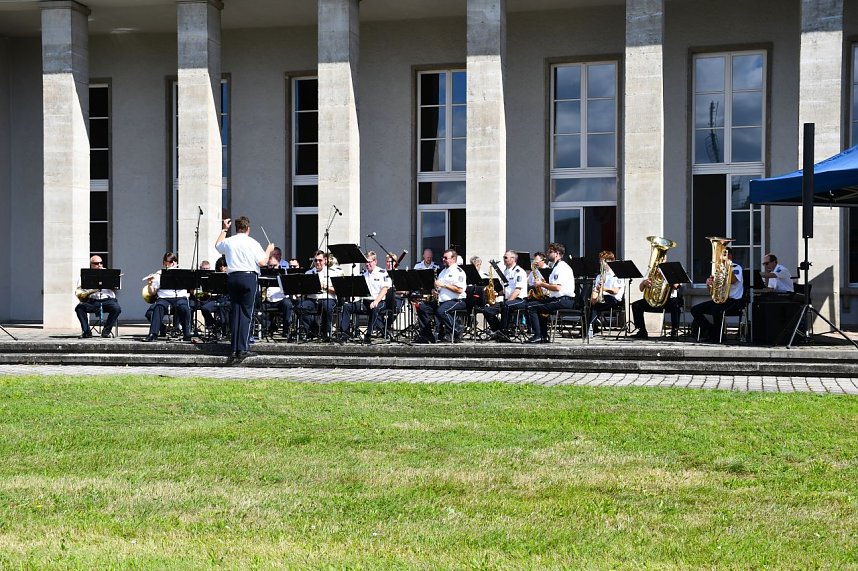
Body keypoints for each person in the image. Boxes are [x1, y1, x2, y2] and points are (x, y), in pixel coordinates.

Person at [215, 216, 274, 360]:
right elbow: (262, 262)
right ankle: (243, 348)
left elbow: (217, 245)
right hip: (248, 278)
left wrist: (224, 229)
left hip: (233, 278)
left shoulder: (229, 241)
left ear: (236, 228)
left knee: (236, 312)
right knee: (247, 313)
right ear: (248, 228)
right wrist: (269, 250)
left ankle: (234, 348)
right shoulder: (252, 242)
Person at [690, 246, 744, 343]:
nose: (721, 258)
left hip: (734, 301)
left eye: (723, 256)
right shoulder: (718, 269)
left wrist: (727, 265)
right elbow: (712, 291)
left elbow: (733, 280)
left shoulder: (736, 267)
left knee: (716, 310)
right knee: (695, 310)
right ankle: (711, 332)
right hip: (721, 300)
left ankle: (718, 337)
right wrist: (709, 284)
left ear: (730, 256)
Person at [526, 242, 576, 344]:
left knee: (532, 307)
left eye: (550, 251)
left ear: (557, 253)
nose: (548, 253)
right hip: (558, 299)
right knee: (537, 305)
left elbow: (557, 288)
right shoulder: (555, 267)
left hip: (563, 300)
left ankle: (538, 335)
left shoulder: (561, 267)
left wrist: (541, 284)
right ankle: (543, 336)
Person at [338, 251, 392, 343]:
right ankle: (345, 333)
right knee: (347, 307)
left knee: (374, 309)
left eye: (369, 262)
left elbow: (385, 289)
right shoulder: (363, 273)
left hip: (378, 301)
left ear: (375, 261)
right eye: (366, 262)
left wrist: (376, 301)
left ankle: (368, 335)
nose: (367, 264)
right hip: (364, 301)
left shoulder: (382, 272)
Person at [416, 248, 467, 343]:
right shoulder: (443, 272)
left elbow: (459, 290)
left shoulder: (458, 271)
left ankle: (456, 332)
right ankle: (427, 336)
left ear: (453, 259)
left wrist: (444, 285)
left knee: (442, 311)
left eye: (445, 258)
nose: (443, 259)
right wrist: (435, 291)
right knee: (422, 307)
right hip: (442, 301)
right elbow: (439, 288)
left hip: (456, 300)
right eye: (443, 257)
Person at [143, 252, 193, 342]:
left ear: (174, 262)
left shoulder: (183, 273)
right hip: (164, 299)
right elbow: (152, 293)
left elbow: (191, 288)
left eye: (168, 264)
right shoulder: (159, 274)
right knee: (158, 306)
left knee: (184, 307)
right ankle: (153, 334)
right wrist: (150, 283)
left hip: (180, 297)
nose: (166, 266)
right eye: (165, 264)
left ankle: (187, 333)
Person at [483, 250, 528, 341]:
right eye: (504, 257)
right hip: (509, 300)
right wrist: (496, 294)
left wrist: (508, 302)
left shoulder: (519, 272)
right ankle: (498, 330)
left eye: (505, 257)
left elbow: (517, 291)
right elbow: (507, 289)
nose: (504, 259)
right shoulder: (506, 271)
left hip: (520, 300)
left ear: (513, 259)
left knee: (505, 306)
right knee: (487, 310)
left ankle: (504, 332)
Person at [74, 255, 121, 338]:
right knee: (79, 308)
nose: (99, 265)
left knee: (116, 308)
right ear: (91, 264)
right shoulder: (85, 275)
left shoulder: (109, 274)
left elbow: (117, 288)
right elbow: (79, 289)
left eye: (101, 263)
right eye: (96, 263)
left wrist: (114, 282)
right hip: (92, 301)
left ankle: (106, 331)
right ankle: (86, 332)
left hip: (108, 300)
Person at [296, 250, 339, 340]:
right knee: (300, 307)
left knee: (326, 307)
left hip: (327, 298)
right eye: (315, 260)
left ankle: (326, 333)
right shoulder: (309, 273)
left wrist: (324, 286)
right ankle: (313, 330)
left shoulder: (332, 272)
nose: (317, 262)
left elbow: (337, 290)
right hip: (312, 298)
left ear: (325, 260)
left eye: (320, 260)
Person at [587, 250, 624, 338]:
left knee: (597, 306)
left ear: (610, 261)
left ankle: (589, 327)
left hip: (614, 299)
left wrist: (603, 288)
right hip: (602, 297)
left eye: (603, 261)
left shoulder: (617, 275)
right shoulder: (599, 276)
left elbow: (615, 291)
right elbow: (595, 290)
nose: (601, 263)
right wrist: (593, 298)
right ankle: (591, 327)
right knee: (589, 305)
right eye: (600, 261)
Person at [261, 254, 293, 339]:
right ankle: (269, 328)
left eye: (275, 266)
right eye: (270, 266)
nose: (272, 267)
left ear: (278, 265)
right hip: (268, 300)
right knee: (259, 307)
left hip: (281, 300)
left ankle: (286, 330)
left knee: (288, 304)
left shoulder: (283, 273)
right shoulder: (264, 274)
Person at [200, 256, 231, 338]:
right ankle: (214, 325)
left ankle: (225, 331)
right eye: (220, 266)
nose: (222, 268)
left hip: (228, 300)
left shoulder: (231, 275)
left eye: (224, 266)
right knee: (205, 308)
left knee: (223, 308)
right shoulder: (215, 276)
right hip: (218, 299)